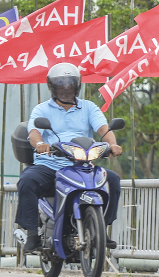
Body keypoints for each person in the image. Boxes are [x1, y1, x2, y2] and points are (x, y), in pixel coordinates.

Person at [14, 62, 122, 251]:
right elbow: (34, 133)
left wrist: (112, 144)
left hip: (82, 164)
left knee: (112, 180)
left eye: (69, 84)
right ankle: (32, 234)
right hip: (50, 165)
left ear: (76, 85)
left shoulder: (89, 107)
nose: (65, 88)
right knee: (27, 181)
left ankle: (102, 228)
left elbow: (103, 130)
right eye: (60, 84)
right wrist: (40, 145)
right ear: (52, 87)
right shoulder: (41, 109)